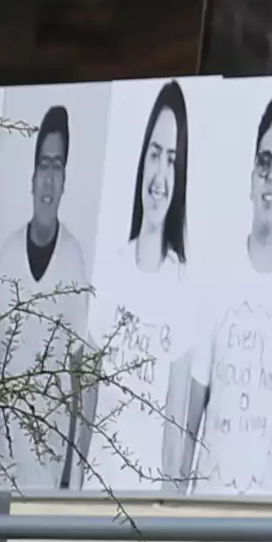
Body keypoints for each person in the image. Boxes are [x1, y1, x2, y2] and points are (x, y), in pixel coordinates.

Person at [189, 89, 272, 497]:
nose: (270, 175)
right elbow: (192, 410)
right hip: (206, 501)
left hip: (256, 516)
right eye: (264, 162)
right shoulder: (219, 271)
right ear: (251, 177)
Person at [90, 80, 198, 493]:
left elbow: (174, 440)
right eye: (155, 154)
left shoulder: (183, 288)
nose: (160, 174)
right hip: (93, 502)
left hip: (143, 509)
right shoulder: (108, 273)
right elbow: (84, 414)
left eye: (172, 160)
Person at [0, 94, 83, 491]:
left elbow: (78, 382)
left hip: (45, 470)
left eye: (58, 166)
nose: (49, 178)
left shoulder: (74, 262)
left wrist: (72, 476)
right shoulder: (5, 256)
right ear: (33, 176)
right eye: (43, 165)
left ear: (65, 179)